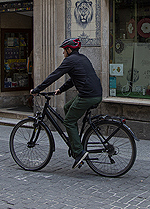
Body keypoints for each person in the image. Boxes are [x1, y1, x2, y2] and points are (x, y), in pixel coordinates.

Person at [30, 38, 103, 169]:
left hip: (87, 96)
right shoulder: (82, 58)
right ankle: (75, 140)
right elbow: (74, 78)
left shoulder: (69, 60)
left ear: (69, 50)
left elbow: (55, 75)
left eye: (64, 50)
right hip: (95, 94)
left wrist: (37, 90)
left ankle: (79, 152)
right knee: (67, 107)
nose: (63, 53)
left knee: (68, 121)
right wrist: (61, 90)